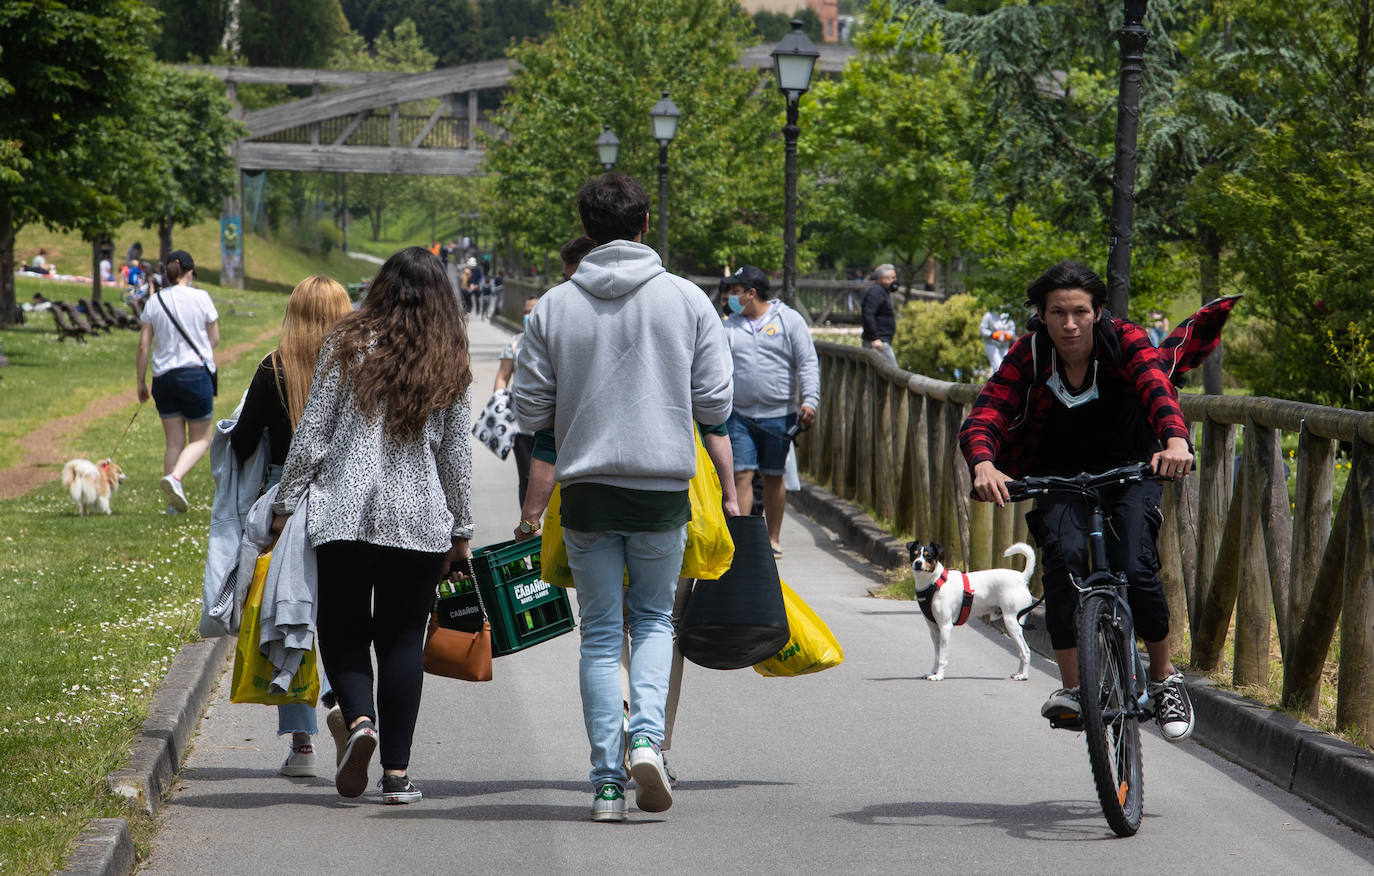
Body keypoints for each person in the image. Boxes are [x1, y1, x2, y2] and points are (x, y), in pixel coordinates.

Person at [512, 172, 736, 823]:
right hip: (663, 489)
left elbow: (531, 410)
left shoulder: (554, 306)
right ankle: (648, 741)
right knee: (656, 621)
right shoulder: (688, 300)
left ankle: (607, 783)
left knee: (601, 637)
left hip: (584, 491)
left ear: (588, 229)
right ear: (644, 225)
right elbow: (717, 402)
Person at [958, 260, 1196, 742]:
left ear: (1098, 313)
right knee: (1063, 563)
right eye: (1057, 313)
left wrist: (1174, 441)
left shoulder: (1124, 341)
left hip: (1132, 465)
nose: (1069, 324)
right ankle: (1072, 689)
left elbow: (1158, 390)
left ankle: (1165, 677)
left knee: (1136, 561)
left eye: (1080, 312)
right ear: (1041, 316)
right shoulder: (1029, 354)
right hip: (1057, 474)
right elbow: (985, 414)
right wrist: (982, 463)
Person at [271, 246, 474, 805]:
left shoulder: (345, 342)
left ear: (381, 286)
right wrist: (462, 530)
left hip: (344, 511)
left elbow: (313, 433)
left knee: (341, 629)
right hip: (419, 518)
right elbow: (456, 453)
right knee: (403, 640)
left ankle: (359, 721)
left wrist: (286, 503)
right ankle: (398, 775)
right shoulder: (449, 355)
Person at [230, 276, 353, 778]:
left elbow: (240, 444)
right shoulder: (355, 365)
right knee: (341, 615)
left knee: (288, 613)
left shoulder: (274, 367)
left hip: (285, 504)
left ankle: (302, 744)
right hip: (345, 498)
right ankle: (349, 704)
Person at [721, 264, 819, 559]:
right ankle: (741, 539)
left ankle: (773, 539)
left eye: (737, 292)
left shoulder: (789, 320)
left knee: (775, 476)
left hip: (780, 414)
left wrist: (810, 400)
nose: (732, 298)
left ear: (751, 294)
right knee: (742, 474)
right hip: (739, 414)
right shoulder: (729, 327)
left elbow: (807, 363)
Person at [136, 250, 218, 514]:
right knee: (201, 439)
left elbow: (143, 346)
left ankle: (172, 504)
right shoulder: (201, 297)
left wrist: (141, 382)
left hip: (163, 378)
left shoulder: (154, 301)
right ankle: (176, 478)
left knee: (173, 442)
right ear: (190, 272)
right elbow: (213, 339)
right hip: (194, 374)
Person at [492, 294, 541, 507]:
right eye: (526, 311)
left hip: (549, 427)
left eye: (533, 311)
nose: (528, 316)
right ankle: (529, 529)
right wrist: (500, 407)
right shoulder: (515, 342)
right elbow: (502, 377)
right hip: (520, 427)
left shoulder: (555, 341)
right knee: (527, 479)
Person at [860, 264, 898, 365]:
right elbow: (868, 314)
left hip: (882, 341)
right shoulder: (876, 291)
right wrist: (875, 338)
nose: (895, 281)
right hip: (878, 343)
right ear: (882, 278)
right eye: (892, 278)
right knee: (893, 373)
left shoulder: (882, 291)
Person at [979, 307, 1017, 371]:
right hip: (992, 345)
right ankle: (997, 381)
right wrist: (991, 334)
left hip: (1004, 345)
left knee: (1006, 366)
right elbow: (982, 329)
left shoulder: (1007, 316)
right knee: (997, 366)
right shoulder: (989, 315)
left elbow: (1012, 329)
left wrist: (1009, 335)